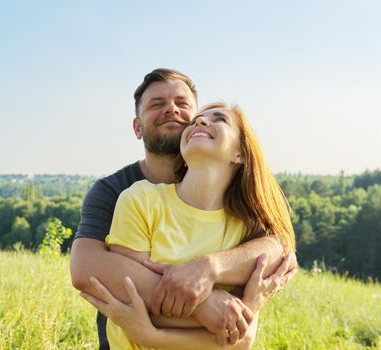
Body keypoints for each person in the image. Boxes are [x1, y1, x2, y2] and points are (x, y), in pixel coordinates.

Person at [70, 69, 297, 349]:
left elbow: (281, 249)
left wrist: (209, 268)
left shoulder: (240, 216)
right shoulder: (123, 194)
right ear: (137, 127)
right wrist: (202, 303)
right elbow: (88, 269)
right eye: (156, 104)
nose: (171, 109)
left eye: (183, 103)